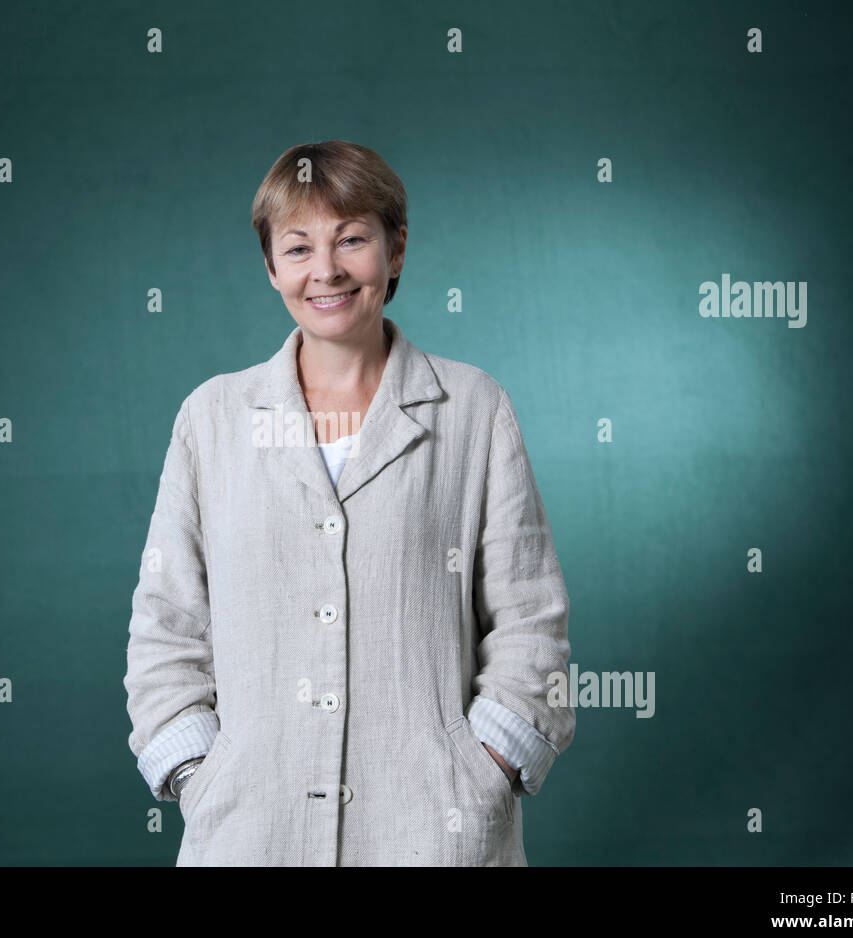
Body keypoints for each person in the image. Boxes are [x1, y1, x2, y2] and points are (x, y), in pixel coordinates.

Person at [124, 140, 574, 866]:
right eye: (298, 247)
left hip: (434, 831)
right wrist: (199, 774)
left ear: (395, 251)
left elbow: (530, 618)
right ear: (271, 266)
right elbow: (166, 624)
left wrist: (486, 764)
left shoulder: (472, 409)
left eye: (353, 239)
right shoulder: (212, 419)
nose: (325, 270)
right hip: (250, 832)